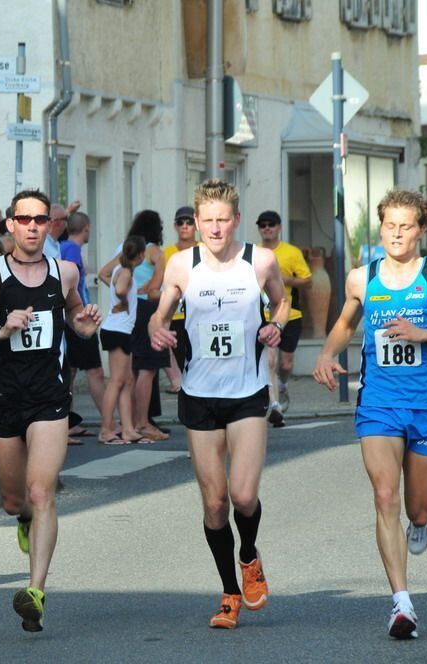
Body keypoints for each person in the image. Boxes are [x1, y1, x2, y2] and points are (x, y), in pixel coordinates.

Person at [312, 189, 427, 640]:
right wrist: (328, 353)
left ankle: (424, 522)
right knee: (386, 495)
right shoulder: (360, 278)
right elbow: (347, 321)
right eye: (390, 225)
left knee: (416, 508)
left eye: (406, 226)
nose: (397, 233)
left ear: (421, 230)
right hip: (379, 404)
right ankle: (402, 604)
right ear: (381, 226)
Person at [0, 189, 102, 633]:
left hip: (49, 400)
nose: (34, 226)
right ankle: (23, 520)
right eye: (25, 219)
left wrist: (84, 325)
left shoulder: (66, 272)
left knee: (42, 492)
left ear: (48, 226)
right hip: (1, 401)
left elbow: (75, 316)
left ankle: (35, 591)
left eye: (41, 219)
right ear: (10, 226)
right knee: (16, 500)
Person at [149, 178, 289, 630]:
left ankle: (249, 555)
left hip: (247, 393)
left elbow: (282, 303)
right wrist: (158, 328)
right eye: (205, 220)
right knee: (214, 505)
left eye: (222, 220)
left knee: (243, 496)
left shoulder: (260, 261)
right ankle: (229, 591)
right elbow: (161, 312)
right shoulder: (181, 265)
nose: (213, 228)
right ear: (195, 221)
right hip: (199, 395)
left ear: (236, 220)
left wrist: (275, 327)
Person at [256, 210, 311, 426]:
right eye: (263, 225)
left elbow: (307, 281)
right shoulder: (254, 253)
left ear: (279, 227)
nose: (267, 228)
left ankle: (283, 384)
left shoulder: (291, 252)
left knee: (286, 364)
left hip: (290, 314)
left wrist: (285, 280)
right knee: (270, 360)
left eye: (271, 224)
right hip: (265, 315)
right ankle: (275, 406)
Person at [59, 212, 105, 438]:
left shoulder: (62, 246)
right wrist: (80, 310)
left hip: (71, 316)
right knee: (95, 371)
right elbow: (73, 286)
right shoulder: (73, 250)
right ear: (86, 228)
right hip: (78, 315)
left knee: (71, 370)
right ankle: (109, 424)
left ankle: (69, 422)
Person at [98, 236, 148, 444]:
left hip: (121, 330)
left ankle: (127, 429)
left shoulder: (121, 270)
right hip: (117, 331)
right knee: (117, 381)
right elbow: (120, 290)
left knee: (127, 381)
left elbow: (114, 284)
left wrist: (123, 296)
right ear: (140, 255)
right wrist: (123, 300)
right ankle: (105, 429)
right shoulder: (125, 272)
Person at [161, 206, 197, 393]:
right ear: (175, 226)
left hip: (200, 313)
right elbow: (159, 284)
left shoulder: (205, 250)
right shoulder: (167, 253)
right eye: (180, 222)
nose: (185, 226)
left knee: (198, 359)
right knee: (179, 359)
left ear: (196, 224)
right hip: (175, 315)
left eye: (189, 222)